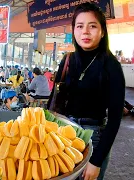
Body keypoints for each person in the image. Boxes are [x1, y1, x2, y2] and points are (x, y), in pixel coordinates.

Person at [48, 3, 125, 180]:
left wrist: (96, 161)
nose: (85, 32)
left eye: (93, 26)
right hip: (62, 135)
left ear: (102, 31)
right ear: (74, 30)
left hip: (93, 138)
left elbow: (114, 119)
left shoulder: (111, 66)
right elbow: (54, 102)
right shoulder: (68, 60)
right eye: (80, 26)